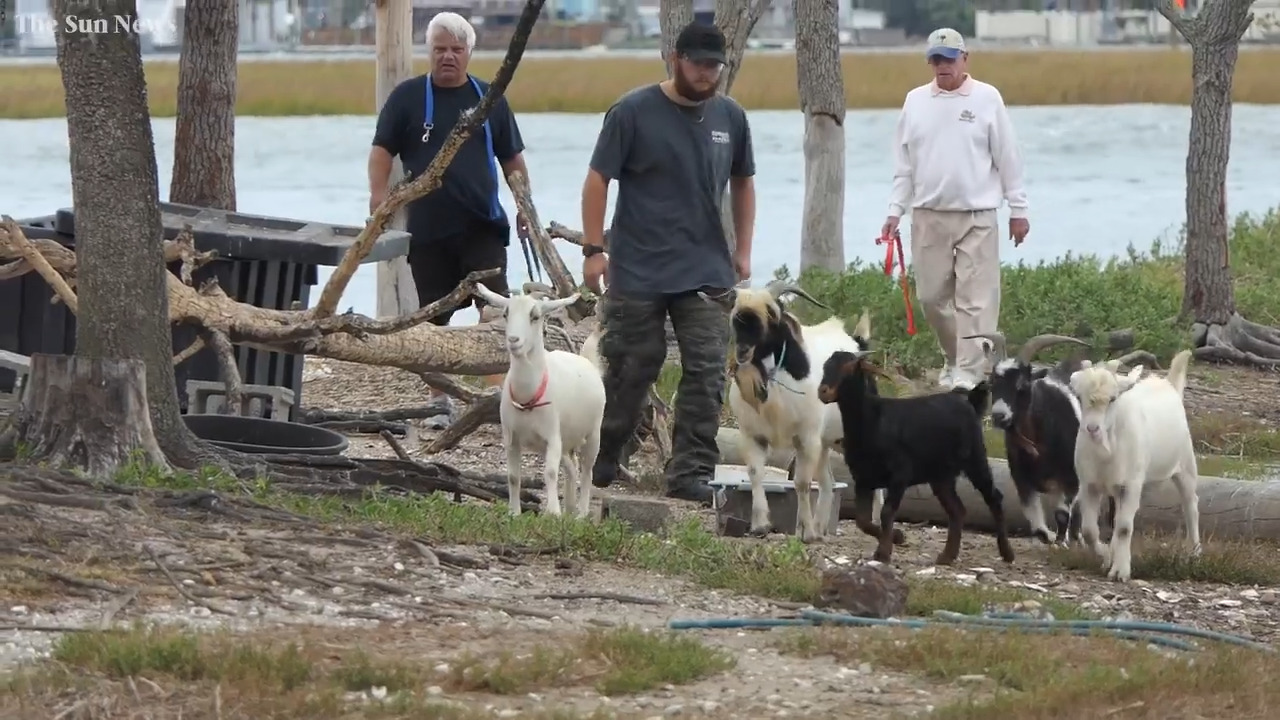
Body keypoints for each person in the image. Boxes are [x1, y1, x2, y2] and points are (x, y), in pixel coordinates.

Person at [580, 21, 756, 505]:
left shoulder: (731, 118)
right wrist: (594, 251)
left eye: (714, 66)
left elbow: (744, 181)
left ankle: (691, 471)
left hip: (705, 266)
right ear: (676, 59)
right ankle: (604, 453)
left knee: (705, 369)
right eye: (698, 64)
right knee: (634, 364)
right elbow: (597, 180)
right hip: (639, 266)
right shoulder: (633, 111)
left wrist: (743, 248)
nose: (706, 74)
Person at [369, 11, 531, 427]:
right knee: (432, 318)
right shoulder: (407, 97)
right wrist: (377, 198)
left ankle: (501, 399)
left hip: (483, 225)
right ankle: (438, 403)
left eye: (456, 49)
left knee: (496, 313)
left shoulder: (489, 97)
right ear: (429, 51)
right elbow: (382, 152)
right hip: (428, 230)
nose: (447, 57)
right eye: (440, 49)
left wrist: (524, 209)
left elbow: (512, 158)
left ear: (469, 53)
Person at [882, 27, 1030, 392]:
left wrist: (1018, 209)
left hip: (977, 216)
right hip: (928, 215)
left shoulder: (987, 98)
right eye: (935, 59)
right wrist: (893, 211)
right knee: (931, 299)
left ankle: (969, 373)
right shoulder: (915, 101)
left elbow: (1008, 157)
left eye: (949, 59)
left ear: (965, 59)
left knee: (976, 302)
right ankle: (954, 357)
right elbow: (904, 166)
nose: (942, 66)